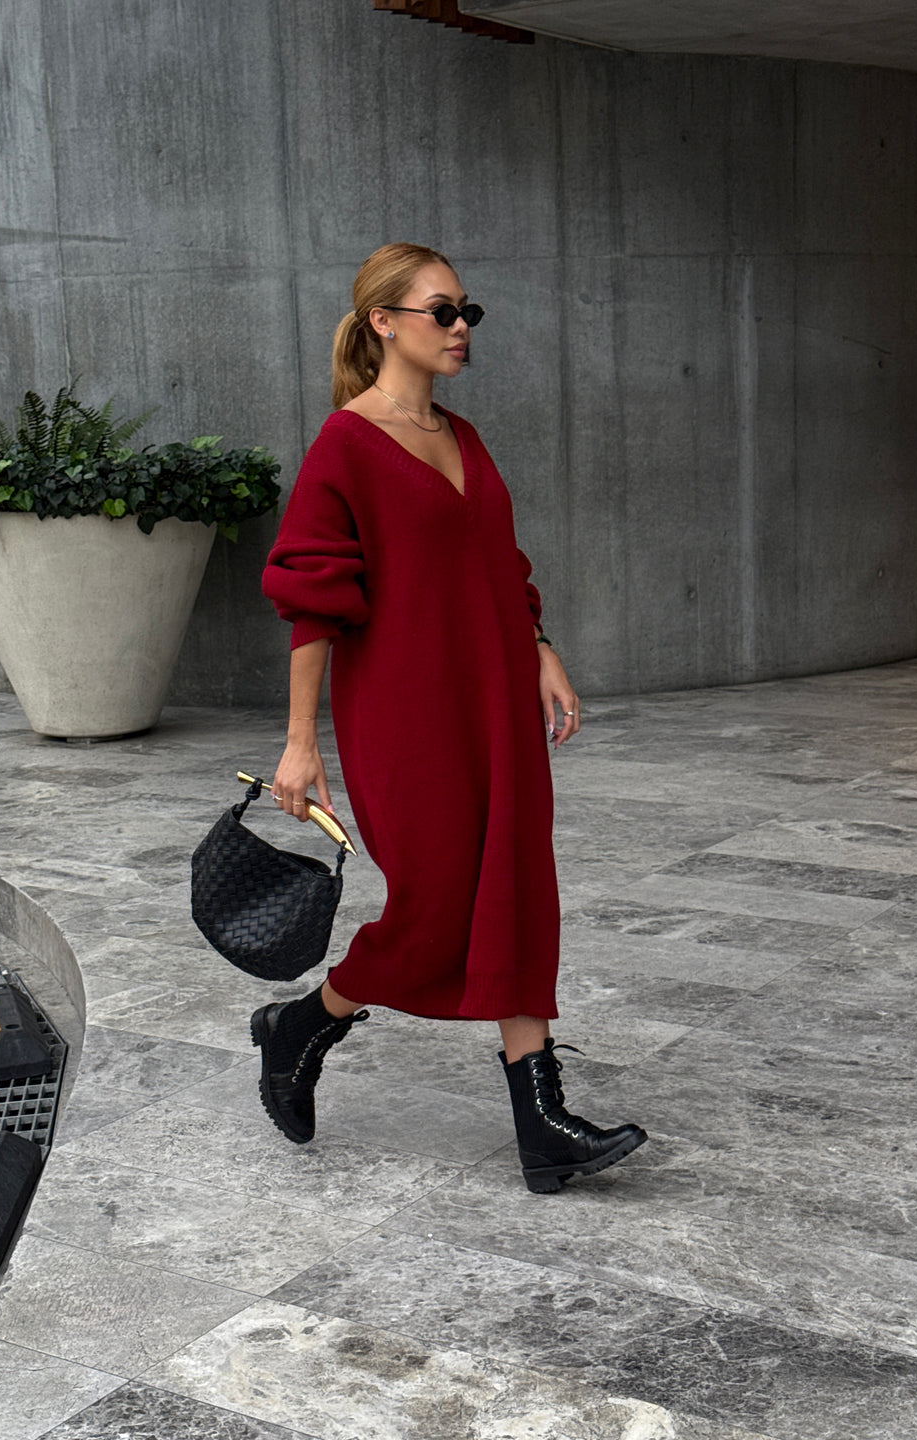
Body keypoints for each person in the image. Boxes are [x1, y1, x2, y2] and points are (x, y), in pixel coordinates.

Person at [254, 243, 645, 1193]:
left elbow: (499, 562)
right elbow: (312, 599)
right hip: (405, 711)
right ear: (385, 321)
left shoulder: (464, 438)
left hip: (496, 696)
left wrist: (541, 646)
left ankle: (543, 1122)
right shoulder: (346, 445)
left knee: (513, 883)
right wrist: (302, 743)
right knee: (434, 905)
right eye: (442, 311)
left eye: (469, 311)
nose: (462, 327)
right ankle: (303, 1025)